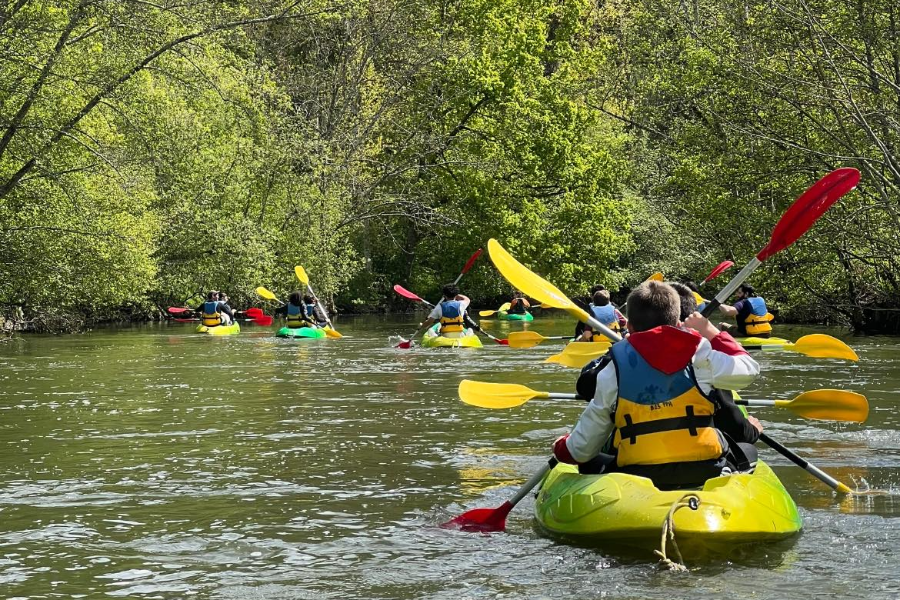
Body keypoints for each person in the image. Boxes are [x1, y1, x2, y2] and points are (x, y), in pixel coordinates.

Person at [555, 280, 763, 490]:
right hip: (705, 470)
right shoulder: (700, 352)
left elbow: (581, 450)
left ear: (629, 326)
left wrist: (562, 446)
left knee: (589, 461)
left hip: (638, 475)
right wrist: (710, 330)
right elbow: (749, 368)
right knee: (747, 450)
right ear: (676, 321)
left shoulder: (613, 367)